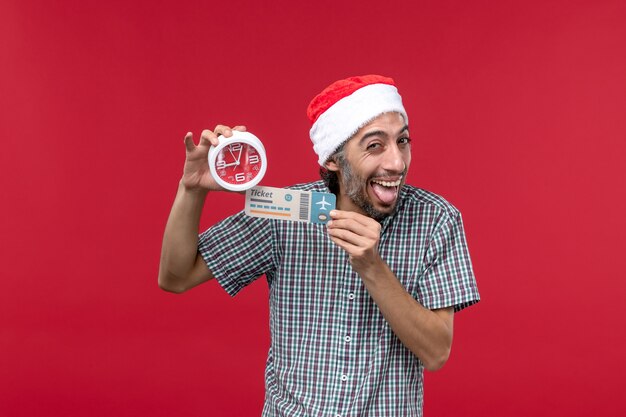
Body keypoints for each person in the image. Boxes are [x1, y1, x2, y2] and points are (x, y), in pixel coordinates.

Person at [158, 74, 480, 416]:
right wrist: (192, 189)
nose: (397, 163)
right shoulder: (286, 213)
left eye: (402, 141)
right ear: (333, 159)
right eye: (375, 145)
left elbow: (436, 353)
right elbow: (176, 276)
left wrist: (372, 267)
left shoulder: (436, 219)